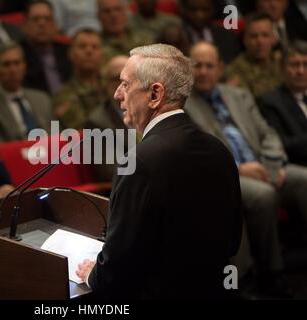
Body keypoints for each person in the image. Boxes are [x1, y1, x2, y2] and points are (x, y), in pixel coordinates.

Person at [76, 44, 242, 299]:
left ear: (155, 94)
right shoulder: (218, 149)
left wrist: (91, 274)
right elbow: (232, 241)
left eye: (125, 84)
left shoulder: (140, 162)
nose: (117, 95)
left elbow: (117, 270)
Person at [186, 41, 307, 298]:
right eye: (198, 66)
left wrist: (271, 165)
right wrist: (239, 168)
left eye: (210, 65)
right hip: (226, 176)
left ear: (220, 68)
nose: (204, 71)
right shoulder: (183, 105)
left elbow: (268, 134)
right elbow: (200, 153)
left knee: (304, 178)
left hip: (263, 166)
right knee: (263, 195)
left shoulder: (238, 95)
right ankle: (271, 274)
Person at [0, 42, 53, 142]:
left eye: (17, 63)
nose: (13, 70)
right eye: (6, 65)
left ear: (24, 66)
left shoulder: (42, 99)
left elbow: (57, 137)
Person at [257, 41, 307, 167]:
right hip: (297, 166)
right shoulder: (270, 102)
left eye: (305, 65)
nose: (301, 71)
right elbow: (281, 144)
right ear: (282, 68)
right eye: (295, 65)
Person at [53, 29, 106, 129]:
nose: (89, 51)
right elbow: (83, 128)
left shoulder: (113, 85)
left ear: (101, 54)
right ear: (71, 53)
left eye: (95, 47)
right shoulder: (64, 94)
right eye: (82, 46)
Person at [20, 0, 72, 95]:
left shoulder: (68, 51)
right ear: (24, 26)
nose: (42, 24)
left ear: (55, 25)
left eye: (47, 19)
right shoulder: (19, 55)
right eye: (36, 19)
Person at [225, 13, 282, 98]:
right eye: (254, 36)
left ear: (273, 38)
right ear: (244, 40)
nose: (260, 41)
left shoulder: (283, 63)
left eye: (265, 35)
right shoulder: (235, 71)